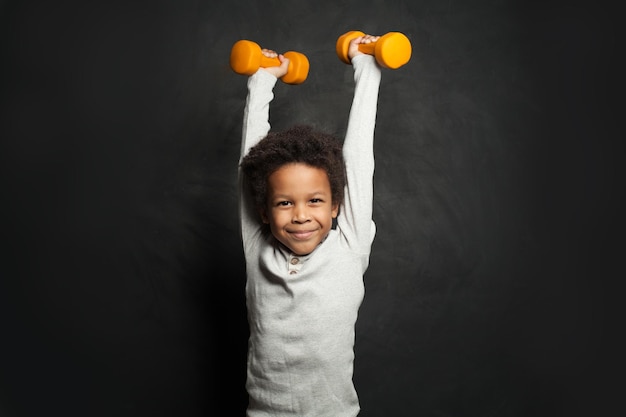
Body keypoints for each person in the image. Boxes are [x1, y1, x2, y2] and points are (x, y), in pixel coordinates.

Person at [238, 33, 382, 416]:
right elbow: (248, 168)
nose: (301, 215)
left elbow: (358, 161)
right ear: (265, 211)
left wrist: (368, 70)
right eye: (285, 203)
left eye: (315, 201)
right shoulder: (259, 248)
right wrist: (263, 79)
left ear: (336, 205)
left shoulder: (349, 245)